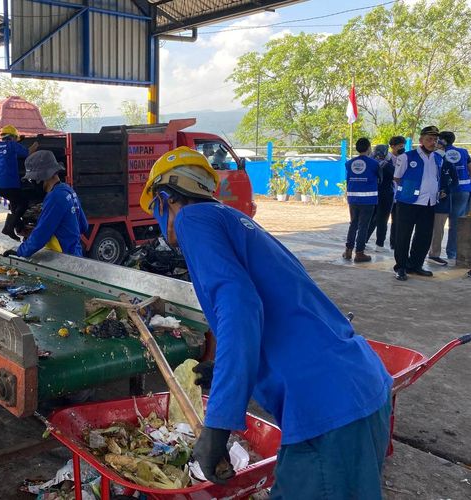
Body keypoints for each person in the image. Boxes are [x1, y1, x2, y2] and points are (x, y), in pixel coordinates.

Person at [140, 146, 392, 497]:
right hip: (358, 389)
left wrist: (218, 425)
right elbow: (280, 310)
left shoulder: (191, 219)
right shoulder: (237, 221)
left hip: (326, 406)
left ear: (166, 198)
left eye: (155, 209)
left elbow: (240, 305)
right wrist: (229, 368)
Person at [2, 150, 88, 259]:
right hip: (75, 254)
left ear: (42, 177)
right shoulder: (68, 190)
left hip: (62, 259)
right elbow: (83, 226)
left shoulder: (55, 197)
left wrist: (20, 251)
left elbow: (41, 235)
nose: (32, 182)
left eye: (33, 179)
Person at [392, 126, 442, 281]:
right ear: (421, 140)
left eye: (435, 139)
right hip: (408, 203)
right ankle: (401, 267)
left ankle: (416, 265)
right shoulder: (407, 157)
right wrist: (411, 190)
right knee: (403, 235)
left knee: (424, 236)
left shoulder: (438, 158)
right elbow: (397, 178)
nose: (432, 142)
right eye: (429, 139)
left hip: (429, 203)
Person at [0, 125, 37, 241]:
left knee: (14, 203)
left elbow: (9, 150)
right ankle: (9, 227)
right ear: (13, 137)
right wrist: (36, 144)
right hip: (8, 183)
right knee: (23, 202)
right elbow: (28, 152)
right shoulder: (12, 145)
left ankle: (18, 226)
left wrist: (18, 141)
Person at [343, 137, 380, 263]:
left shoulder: (349, 163)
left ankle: (348, 250)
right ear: (369, 148)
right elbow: (380, 179)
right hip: (368, 200)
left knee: (353, 224)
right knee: (363, 226)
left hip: (353, 198)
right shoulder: (374, 164)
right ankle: (359, 253)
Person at [427, 135, 459, 266]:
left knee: (438, 229)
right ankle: (419, 252)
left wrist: (446, 191)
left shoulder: (447, 163)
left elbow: (455, 182)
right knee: (424, 228)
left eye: (438, 144)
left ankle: (434, 254)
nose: (435, 146)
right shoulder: (428, 162)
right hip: (426, 200)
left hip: (442, 202)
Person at [440, 131, 471, 264]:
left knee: (441, 223)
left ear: (443, 141)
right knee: (458, 223)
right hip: (464, 190)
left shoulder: (440, 154)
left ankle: (450, 253)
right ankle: (454, 252)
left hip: (446, 191)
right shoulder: (464, 152)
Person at [366, 144, 393, 252]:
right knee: (382, 220)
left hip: (373, 194)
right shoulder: (387, 165)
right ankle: (379, 244)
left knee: (371, 219)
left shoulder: (370, 163)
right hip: (386, 194)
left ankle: (363, 241)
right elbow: (396, 176)